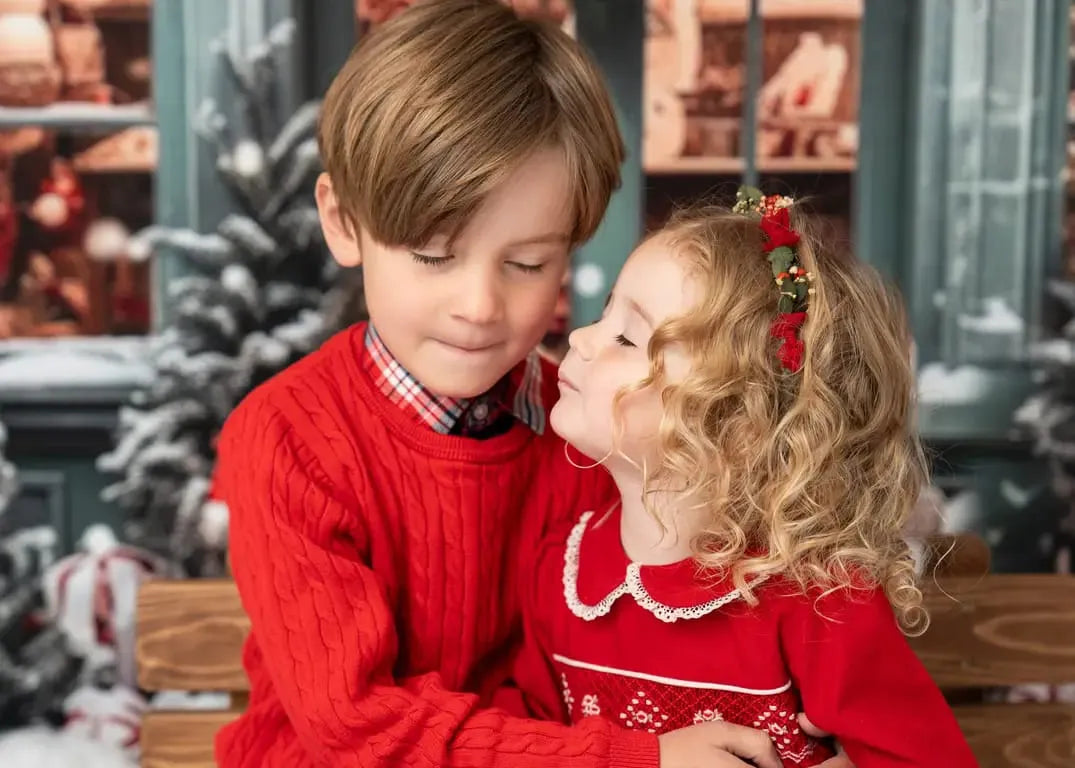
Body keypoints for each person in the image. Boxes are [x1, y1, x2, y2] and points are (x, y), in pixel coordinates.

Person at [212, 3, 845, 767]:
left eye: (525, 264)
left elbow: (677, 631)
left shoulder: (590, 422)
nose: (479, 307)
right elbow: (356, 729)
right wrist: (638, 760)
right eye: (434, 256)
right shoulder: (288, 438)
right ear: (344, 223)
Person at [511, 190, 980, 767]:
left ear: (740, 426)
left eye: (628, 339)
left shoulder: (823, 602)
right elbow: (530, 743)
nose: (581, 339)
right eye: (604, 316)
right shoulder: (560, 570)